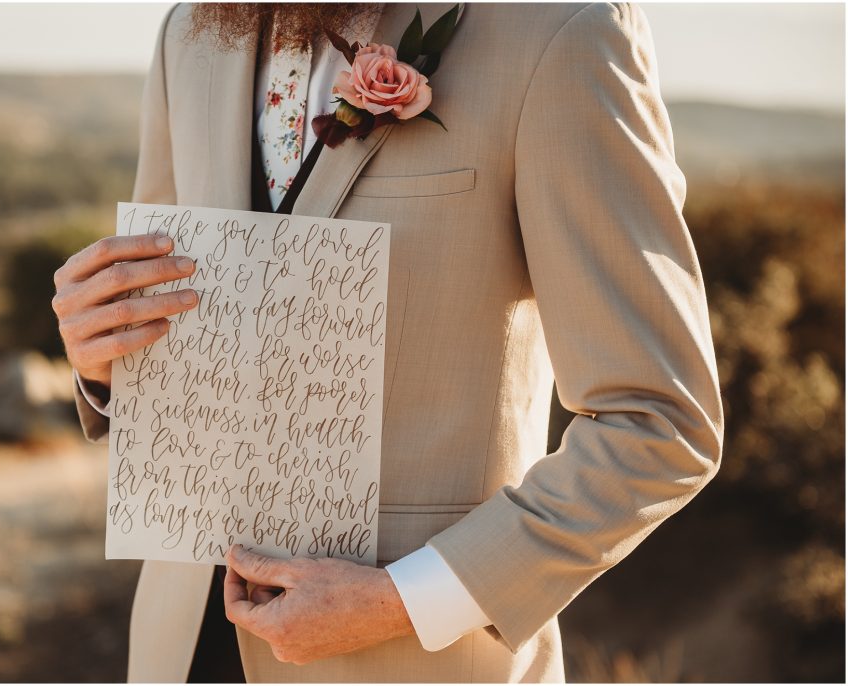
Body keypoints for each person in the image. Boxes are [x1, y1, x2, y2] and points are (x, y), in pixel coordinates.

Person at [52, 2, 725, 682]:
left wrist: (406, 600)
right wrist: (105, 364)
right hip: (177, 649)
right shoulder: (190, 32)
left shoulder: (562, 29)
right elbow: (171, 334)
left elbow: (660, 423)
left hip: (412, 665)